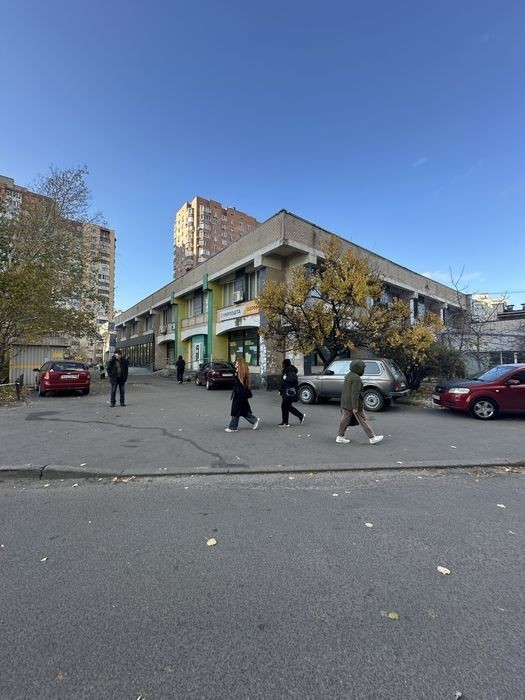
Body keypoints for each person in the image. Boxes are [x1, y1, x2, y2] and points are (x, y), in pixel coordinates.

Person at [336, 359, 383, 444]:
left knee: (345, 420)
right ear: (358, 368)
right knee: (363, 420)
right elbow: (355, 393)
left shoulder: (349, 375)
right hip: (354, 403)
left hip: (345, 402)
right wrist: (355, 407)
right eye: (362, 368)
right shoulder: (356, 378)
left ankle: (340, 436)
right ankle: (372, 437)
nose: (363, 370)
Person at [225, 357, 259, 432]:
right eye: (235, 363)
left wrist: (236, 374)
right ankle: (254, 420)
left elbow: (240, 385)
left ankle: (233, 427)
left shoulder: (241, 373)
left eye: (237, 363)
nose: (235, 365)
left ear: (240, 365)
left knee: (235, 411)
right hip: (240, 394)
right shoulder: (239, 372)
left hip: (240, 395)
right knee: (243, 411)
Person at [278, 358, 306, 427]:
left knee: (285, 407)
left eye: (283, 364)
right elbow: (283, 383)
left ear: (285, 364)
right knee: (287, 407)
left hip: (288, 393)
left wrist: (285, 378)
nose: (282, 365)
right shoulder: (288, 370)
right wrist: (280, 390)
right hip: (287, 392)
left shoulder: (289, 371)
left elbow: (292, 380)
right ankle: (300, 416)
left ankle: (285, 422)